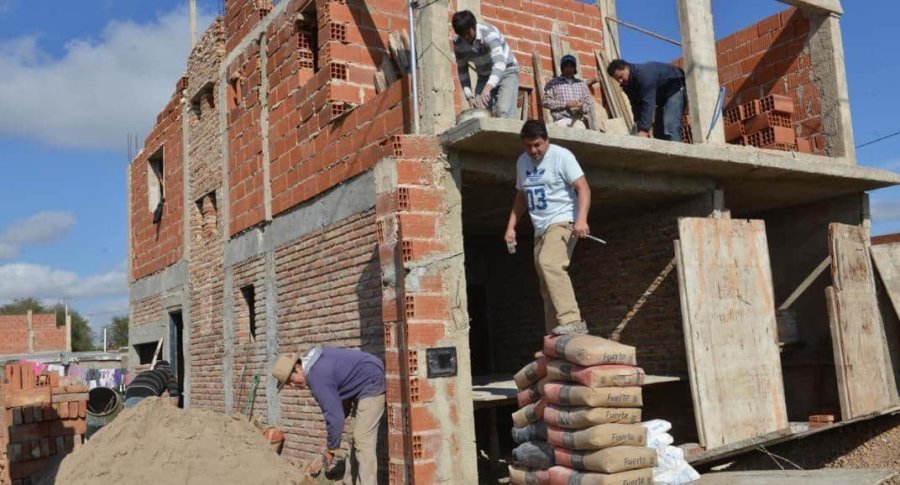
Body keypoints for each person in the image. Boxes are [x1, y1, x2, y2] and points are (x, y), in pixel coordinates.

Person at [504, 120, 591, 336]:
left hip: (562, 221)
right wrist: (511, 227)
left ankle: (572, 320)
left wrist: (581, 219)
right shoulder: (522, 162)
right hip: (540, 229)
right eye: (528, 146)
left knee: (549, 263)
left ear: (546, 140)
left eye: (538, 145)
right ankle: (555, 333)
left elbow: (583, 188)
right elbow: (522, 196)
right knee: (546, 282)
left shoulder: (562, 156)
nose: (533, 151)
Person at [272, 347, 385, 485]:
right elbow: (339, 399)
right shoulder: (313, 366)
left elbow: (334, 416)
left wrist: (331, 449)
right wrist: (332, 441)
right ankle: (349, 481)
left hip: (371, 380)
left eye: (290, 380)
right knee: (352, 437)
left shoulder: (316, 377)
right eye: (288, 384)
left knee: (363, 441)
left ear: (298, 367)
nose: (292, 385)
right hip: (361, 383)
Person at [452, 10, 520, 119]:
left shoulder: (489, 32)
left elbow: (500, 63)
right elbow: (462, 71)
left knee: (503, 112)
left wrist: (488, 88)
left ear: (473, 26)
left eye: (468, 33)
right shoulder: (458, 43)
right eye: (462, 35)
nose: (466, 37)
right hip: (484, 76)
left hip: (507, 71)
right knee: (479, 114)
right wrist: (469, 96)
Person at [606, 59, 686, 142]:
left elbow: (648, 102)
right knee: (658, 132)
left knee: (670, 127)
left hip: (675, 86)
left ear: (627, 68)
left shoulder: (643, 75)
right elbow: (635, 105)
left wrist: (644, 130)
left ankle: (677, 154)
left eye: (621, 76)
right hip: (661, 96)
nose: (620, 81)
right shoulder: (627, 85)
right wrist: (641, 126)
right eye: (617, 79)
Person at [543, 54, 593, 129]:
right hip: (560, 122)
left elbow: (588, 104)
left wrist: (581, 107)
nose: (568, 68)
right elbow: (545, 102)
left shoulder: (581, 84)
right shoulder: (553, 83)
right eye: (566, 66)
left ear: (574, 68)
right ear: (562, 68)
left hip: (578, 122)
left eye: (571, 66)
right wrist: (565, 104)